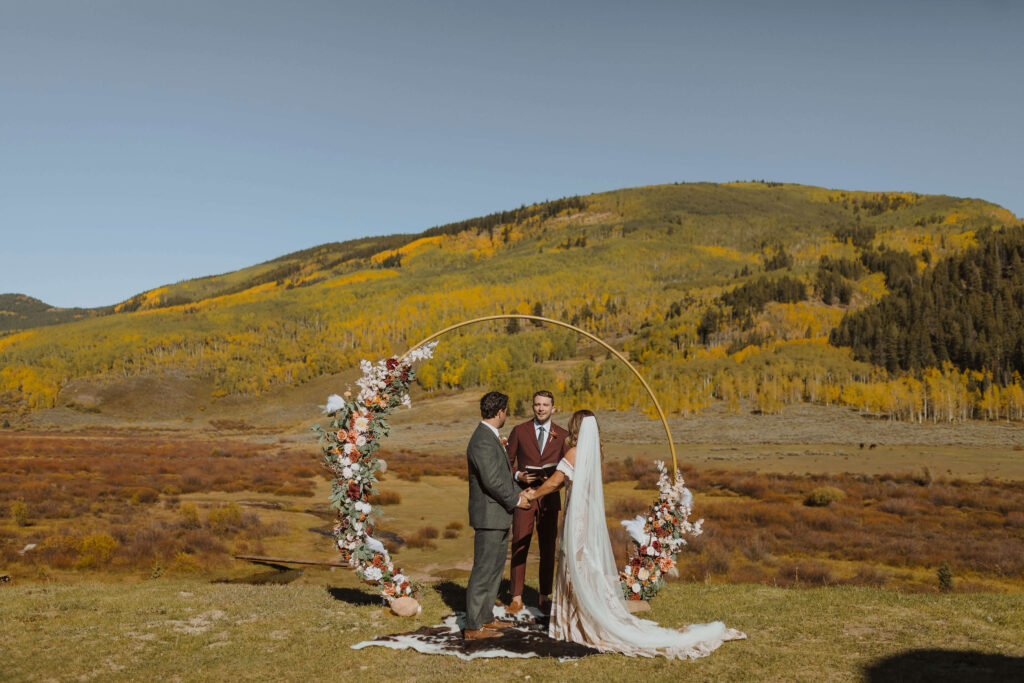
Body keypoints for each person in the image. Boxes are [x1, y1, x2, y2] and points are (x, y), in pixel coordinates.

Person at [521, 410, 745, 658]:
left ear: (575, 428)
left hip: (578, 517)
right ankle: (577, 615)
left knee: (573, 563)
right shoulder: (594, 452)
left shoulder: (574, 452)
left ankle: (575, 622)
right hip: (586, 513)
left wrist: (533, 494)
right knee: (581, 563)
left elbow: (555, 481)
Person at [463, 391, 529, 640]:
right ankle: (472, 625)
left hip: (498, 515)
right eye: (506, 411)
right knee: (483, 570)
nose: (506, 415)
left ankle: (485, 617)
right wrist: (516, 499)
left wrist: (520, 491)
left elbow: (502, 476)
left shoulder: (489, 437)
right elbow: (491, 481)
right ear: (500, 412)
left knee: (494, 569)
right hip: (489, 516)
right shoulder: (481, 440)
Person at [505, 390, 568, 614]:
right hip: (524, 497)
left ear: (553, 408)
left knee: (548, 548)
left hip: (550, 500)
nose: (541, 408)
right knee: (519, 544)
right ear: (533, 407)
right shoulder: (519, 431)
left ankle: (543, 596)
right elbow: (506, 462)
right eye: (537, 405)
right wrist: (517, 476)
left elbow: (567, 469)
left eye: (545, 405)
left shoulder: (563, 435)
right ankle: (516, 597)